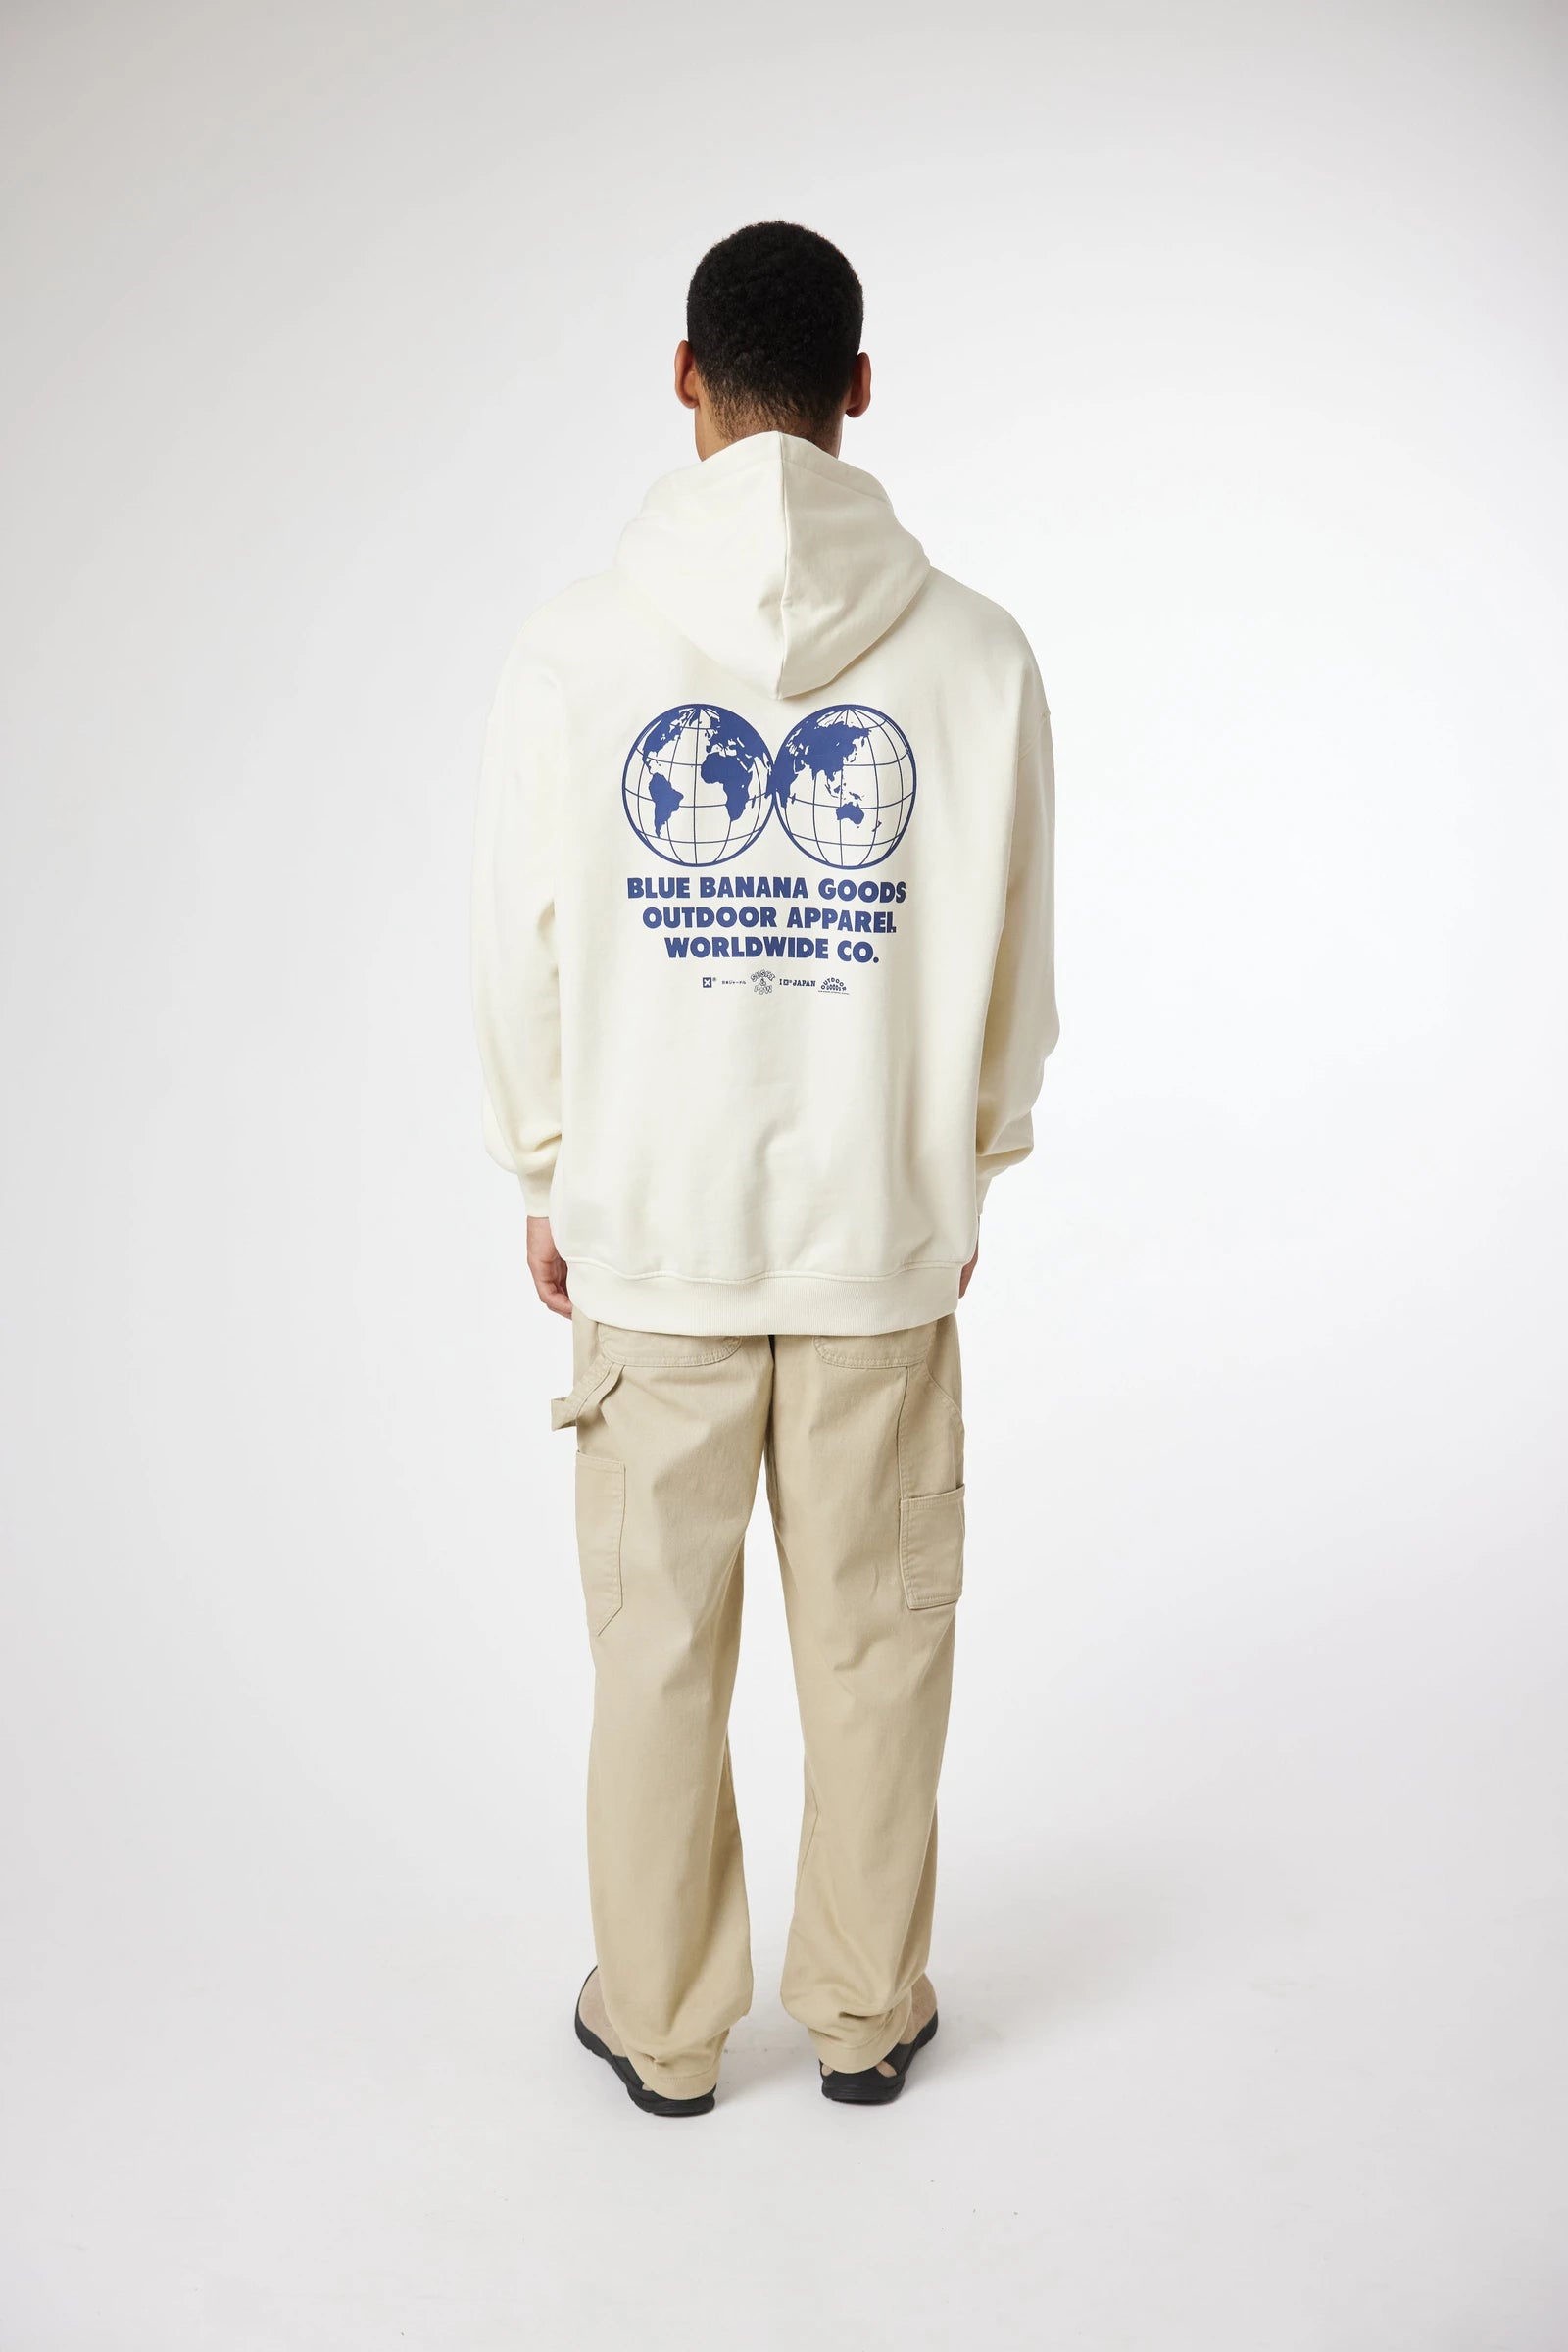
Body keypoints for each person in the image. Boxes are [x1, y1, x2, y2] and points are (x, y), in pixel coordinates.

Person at [472, 220, 1058, 2116]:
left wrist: (547, 1171)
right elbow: (1019, 965)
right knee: (878, 1648)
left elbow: (518, 948)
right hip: (881, 1239)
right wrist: (968, 1167)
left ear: (686, 378)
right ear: (860, 387)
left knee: (656, 1652)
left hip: (651, 1242)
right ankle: (866, 2019)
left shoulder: (574, 649)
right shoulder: (977, 655)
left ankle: (661, 2031)